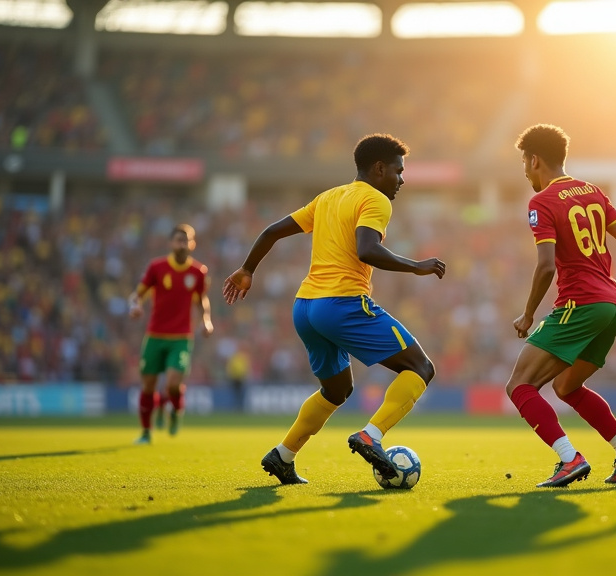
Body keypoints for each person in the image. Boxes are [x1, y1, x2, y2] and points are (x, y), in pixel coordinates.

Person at [222, 134, 445, 485]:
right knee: (421, 366)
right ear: (379, 168)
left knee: (336, 391)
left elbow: (271, 231)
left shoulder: (327, 197)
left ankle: (283, 455)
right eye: (399, 171)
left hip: (306, 308)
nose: (402, 180)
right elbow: (367, 250)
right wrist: (416, 266)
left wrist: (248, 269)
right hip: (342, 304)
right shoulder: (375, 199)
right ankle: (372, 434)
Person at [504, 124, 616, 488]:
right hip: (613, 305)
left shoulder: (541, 202)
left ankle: (568, 458)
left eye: (524, 164)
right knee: (566, 387)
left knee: (519, 386)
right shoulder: (592, 191)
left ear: (534, 160)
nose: (525, 172)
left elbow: (546, 265)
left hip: (581, 303)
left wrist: (529, 313)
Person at [128, 224, 213, 444]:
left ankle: (175, 410)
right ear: (171, 243)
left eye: (186, 240)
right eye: (178, 240)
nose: (182, 244)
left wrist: (206, 320)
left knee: (173, 384)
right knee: (148, 385)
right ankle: (146, 432)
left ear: (192, 244)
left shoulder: (198, 272)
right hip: (155, 335)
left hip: (181, 338)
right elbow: (137, 295)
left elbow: (202, 300)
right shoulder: (157, 267)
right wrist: (135, 306)